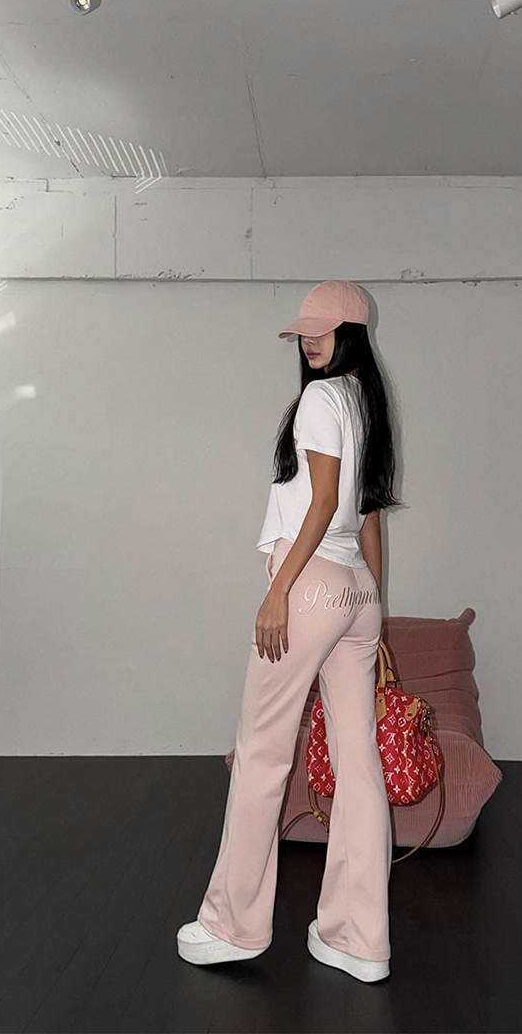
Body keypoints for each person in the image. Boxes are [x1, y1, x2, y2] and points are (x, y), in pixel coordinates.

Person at [177, 280, 401, 983]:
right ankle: (358, 939)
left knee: (263, 752)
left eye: (322, 329)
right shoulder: (367, 405)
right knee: (359, 763)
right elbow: (368, 514)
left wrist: (278, 592)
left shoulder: (319, 399)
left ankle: (232, 925)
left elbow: (326, 500)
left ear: (351, 333)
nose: (309, 339)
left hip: (309, 585)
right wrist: (374, 609)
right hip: (355, 590)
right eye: (304, 330)